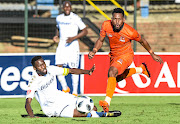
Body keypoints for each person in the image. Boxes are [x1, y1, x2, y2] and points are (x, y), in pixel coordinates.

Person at [88, 8, 163, 112]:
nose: (117, 22)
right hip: (113, 56)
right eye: (115, 19)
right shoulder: (106, 25)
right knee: (115, 79)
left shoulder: (130, 32)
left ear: (123, 19)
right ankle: (140, 69)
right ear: (111, 19)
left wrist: (152, 53)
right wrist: (94, 50)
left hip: (126, 55)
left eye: (119, 19)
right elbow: (100, 40)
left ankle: (106, 103)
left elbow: (142, 41)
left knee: (112, 72)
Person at [25, 56, 121, 118]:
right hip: (52, 107)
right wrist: (32, 116)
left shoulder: (51, 69)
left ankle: (97, 114)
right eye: (40, 66)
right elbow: (27, 102)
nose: (43, 67)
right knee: (80, 114)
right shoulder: (34, 81)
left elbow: (71, 71)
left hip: (61, 96)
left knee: (92, 107)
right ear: (34, 68)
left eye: (43, 64)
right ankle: (104, 115)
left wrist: (88, 72)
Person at [53, 1, 88, 96]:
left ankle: (75, 92)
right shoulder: (59, 18)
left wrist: (73, 38)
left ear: (71, 8)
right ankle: (65, 88)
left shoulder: (75, 18)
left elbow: (85, 31)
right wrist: (56, 36)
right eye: (65, 7)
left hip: (73, 46)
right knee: (58, 67)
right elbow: (58, 28)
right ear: (63, 8)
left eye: (68, 7)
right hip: (62, 45)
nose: (67, 8)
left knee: (74, 68)